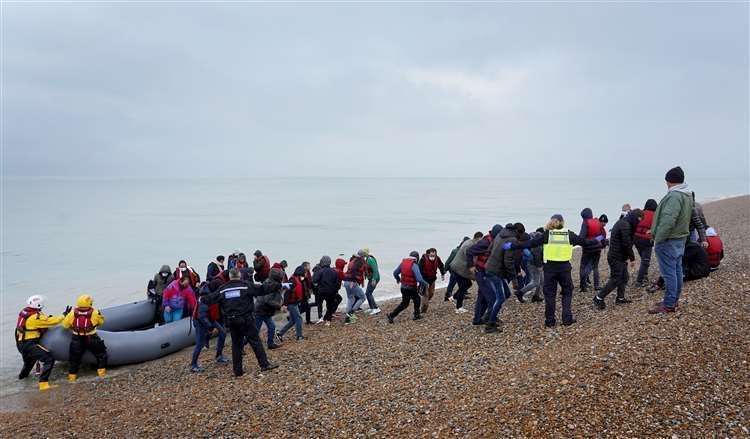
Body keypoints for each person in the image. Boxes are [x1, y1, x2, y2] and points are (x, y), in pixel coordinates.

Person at [507, 214, 602, 327]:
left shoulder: (547, 234)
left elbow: (530, 243)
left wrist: (512, 246)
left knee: (550, 295)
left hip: (550, 269)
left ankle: (550, 321)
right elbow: (584, 242)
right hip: (564, 268)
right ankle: (567, 319)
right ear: (562, 222)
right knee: (567, 292)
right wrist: (597, 239)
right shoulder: (568, 234)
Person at [205, 269, 278, 376]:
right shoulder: (245, 286)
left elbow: (210, 299)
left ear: (230, 277)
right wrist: (278, 285)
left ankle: (238, 371)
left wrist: (201, 297)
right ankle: (264, 364)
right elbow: (262, 289)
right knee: (255, 341)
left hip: (231, 320)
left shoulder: (223, 289)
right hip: (246, 319)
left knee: (236, 345)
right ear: (239, 276)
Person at [648, 166, 695, 314]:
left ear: (669, 181)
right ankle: (673, 300)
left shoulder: (674, 196)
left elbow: (669, 220)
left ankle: (669, 304)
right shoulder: (686, 195)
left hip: (669, 239)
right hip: (680, 238)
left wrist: (658, 237)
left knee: (669, 273)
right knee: (676, 271)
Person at [593, 210, 643, 310]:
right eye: (638, 220)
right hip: (616, 257)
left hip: (620, 256)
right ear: (634, 217)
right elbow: (626, 243)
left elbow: (627, 242)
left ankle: (620, 298)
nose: (638, 222)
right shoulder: (625, 225)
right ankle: (599, 297)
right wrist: (632, 258)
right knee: (615, 279)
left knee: (624, 277)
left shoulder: (625, 222)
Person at [15, 295, 66, 391]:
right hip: (30, 344)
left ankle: (21, 382)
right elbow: (52, 321)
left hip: (22, 345)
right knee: (49, 359)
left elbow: (44, 320)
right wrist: (63, 315)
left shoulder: (26, 313)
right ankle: (43, 384)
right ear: (39, 304)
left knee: (28, 365)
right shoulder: (35, 317)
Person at [61, 294, 108, 381]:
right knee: (101, 355)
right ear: (89, 303)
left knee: (74, 359)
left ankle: (72, 378)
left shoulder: (72, 313)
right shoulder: (95, 312)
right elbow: (101, 322)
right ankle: (102, 374)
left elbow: (65, 326)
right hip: (92, 337)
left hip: (76, 338)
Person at [482, 224, 518, 333]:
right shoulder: (511, 240)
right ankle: (490, 325)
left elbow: (489, 249)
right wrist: (514, 279)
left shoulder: (499, 235)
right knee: (500, 298)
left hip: (490, 268)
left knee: (506, 294)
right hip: (495, 272)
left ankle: (489, 316)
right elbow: (508, 261)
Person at [467, 225, 503, 326]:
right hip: (481, 272)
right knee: (492, 297)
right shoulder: (485, 242)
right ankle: (491, 319)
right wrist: (471, 266)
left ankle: (477, 320)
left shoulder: (494, 240)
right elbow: (469, 251)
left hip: (486, 272)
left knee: (482, 297)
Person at [190, 285, 228, 372]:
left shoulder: (211, 297)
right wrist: (210, 328)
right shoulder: (204, 300)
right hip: (200, 321)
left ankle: (219, 356)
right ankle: (193, 364)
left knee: (223, 333)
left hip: (209, 318)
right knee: (200, 343)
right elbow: (201, 317)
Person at [387, 251, 429, 323]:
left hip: (403, 287)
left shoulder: (403, 263)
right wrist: (425, 283)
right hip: (411, 288)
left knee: (407, 302)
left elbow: (395, 273)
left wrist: (398, 279)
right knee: (416, 299)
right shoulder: (414, 265)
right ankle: (416, 315)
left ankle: (392, 315)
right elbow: (419, 279)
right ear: (417, 258)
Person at [448, 232, 483, 313]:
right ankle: (458, 308)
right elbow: (469, 260)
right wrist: (474, 275)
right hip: (458, 268)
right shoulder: (469, 245)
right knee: (463, 286)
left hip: (457, 267)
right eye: (481, 240)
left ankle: (454, 297)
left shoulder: (469, 242)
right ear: (478, 238)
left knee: (468, 284)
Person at [254, 268, 284, 349]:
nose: (282, 278)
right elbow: (268, 300)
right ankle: (242, 346)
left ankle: (270, 344)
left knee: (272, 327)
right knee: (254, 331)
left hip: (265, 310)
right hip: (260, 310)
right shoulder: (271, 285)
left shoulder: (270, 282)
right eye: (281, 276)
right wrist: (279, 306)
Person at [579, 208, 606, 292]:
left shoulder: (585, 223)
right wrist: (603, 244)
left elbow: (582, 237)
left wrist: (581, 242)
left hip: (588, 248)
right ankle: (597, 285)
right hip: (597, 248)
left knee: (583, 266)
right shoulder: (597, 222)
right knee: (595, 267)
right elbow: (603, 235)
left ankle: (583, 286)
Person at [515, 227, 544, 303]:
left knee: (541, 280)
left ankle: (536, 296)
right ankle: (520, 292)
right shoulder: (538, 243)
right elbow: (537, 255)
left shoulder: (535, 240)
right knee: (535, 282)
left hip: (533, 263)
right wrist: (539, 266)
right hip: (534, 264)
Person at [312, 256, 343, 326]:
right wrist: (335, 290)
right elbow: (337, 283)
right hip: (331, 291)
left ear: (322, 262)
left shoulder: (320, 271)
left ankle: (320, 317)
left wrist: (317, 285)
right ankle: (328, 320)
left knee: (319, 303)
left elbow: (314, 280)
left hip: (322, 290)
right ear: (329, 262)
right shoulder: (334, 271)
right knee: (329, 305)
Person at [634, 199, 658, 287]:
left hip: (636, 239)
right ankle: (639, 281)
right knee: (645, 261)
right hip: (647, 239)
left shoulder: (640, 213)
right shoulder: (655, 215)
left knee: (643, 259)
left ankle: (644, 276)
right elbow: (656, 228)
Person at [279, 266, 305, 341]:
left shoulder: (297, 279)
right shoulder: (293, 280)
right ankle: (299, 336)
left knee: (293, 321)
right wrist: (285, 305)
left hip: (294, 303)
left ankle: (280, 334)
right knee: (299, 319)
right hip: (291, 304)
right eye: (304, 273)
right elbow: (287, 293)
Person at [418, 248, 446, 314]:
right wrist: (420, 279)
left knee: (431, 293)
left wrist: (442, 274)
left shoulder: (437, 258)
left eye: (434, 255)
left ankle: (425, 301)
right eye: (431, 255)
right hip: (424, 280)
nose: (433, 257)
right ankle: (423, 310)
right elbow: (419, 270)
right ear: (428, 254)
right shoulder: (423, 259)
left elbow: (441, 266)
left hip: (432, 279)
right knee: (426, 295)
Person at [343, 250, 367, 323]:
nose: (364, 258)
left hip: (346, 281)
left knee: (351, 298)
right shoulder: (359, 261)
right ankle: (351, 313)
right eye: (364, 256)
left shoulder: (353, 259)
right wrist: (353, 280)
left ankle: (348, 318)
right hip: (352, 282)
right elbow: (353, 270)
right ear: (362, 256)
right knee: (362, 298)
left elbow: (350, 270)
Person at [444, 237, 469, 302]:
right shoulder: (455, 251)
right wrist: (444, 270)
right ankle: (448, 295)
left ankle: (461, 294)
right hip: (453, 269)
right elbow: (448, 261)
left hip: (461, 269)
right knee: (452, 282)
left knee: (462, 282)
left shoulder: (465, 249)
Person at [363, 249, 381, 315]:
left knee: (368, 293)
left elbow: (375, 270)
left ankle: (375, 309)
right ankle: (372, 308)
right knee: (368, 293)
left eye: (363, 253)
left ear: (366, 253)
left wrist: (374, 279)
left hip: (375, 278)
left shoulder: (370, 259)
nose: (362, 254)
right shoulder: (366, 259)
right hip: (371, 278)